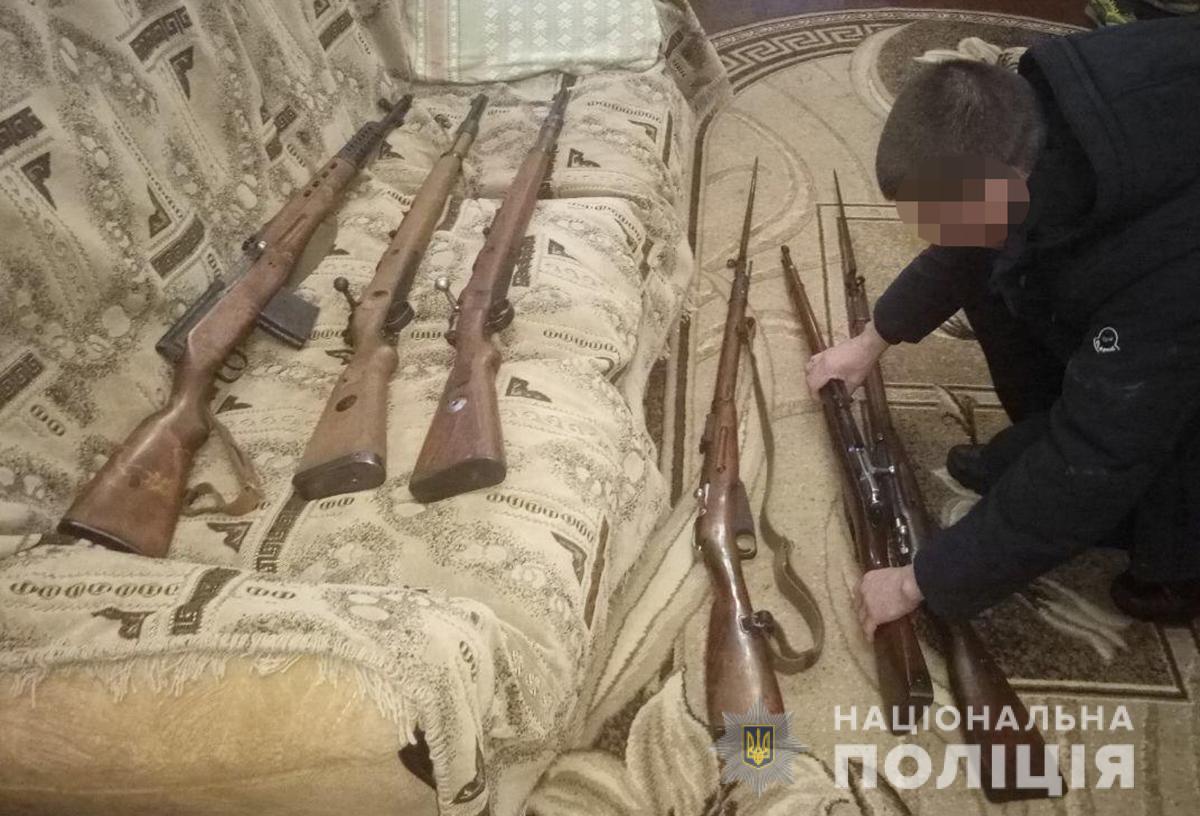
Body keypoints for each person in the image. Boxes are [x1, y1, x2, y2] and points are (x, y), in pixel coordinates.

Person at [804, 16, 1200, 636]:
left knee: (1140, 438)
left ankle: (1178, 566)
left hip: (1178, 282)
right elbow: (965, 236)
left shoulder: (1168, 268)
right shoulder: (1031, 112)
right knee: (992, 258)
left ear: (1012, 179)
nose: (936, 236)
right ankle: (1039, 438)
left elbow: (1099, 452)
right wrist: (870, 340)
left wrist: (921, 580)